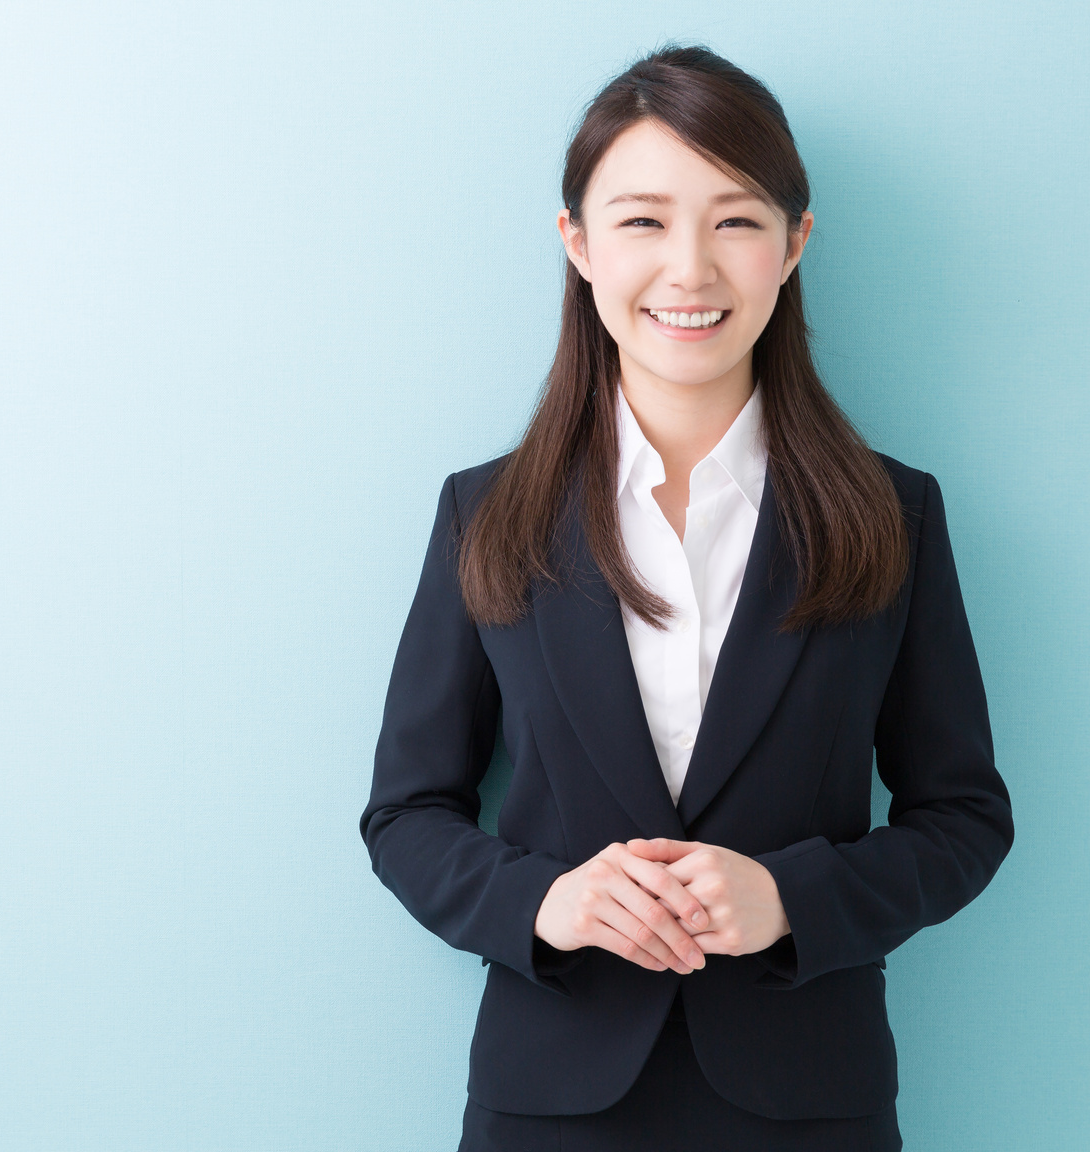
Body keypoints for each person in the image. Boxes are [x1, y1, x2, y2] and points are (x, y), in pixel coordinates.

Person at [359, 43, 1013, 1151]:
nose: (690, 270)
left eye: (737, 221)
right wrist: (545, 905)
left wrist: (791, 902)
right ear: (577, 243)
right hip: (549, 1099)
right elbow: (406, 814)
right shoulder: (489, 515)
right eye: (644, 221)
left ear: (794, 244)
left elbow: (963, 819)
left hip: (809, 1099)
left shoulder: (891, 515)